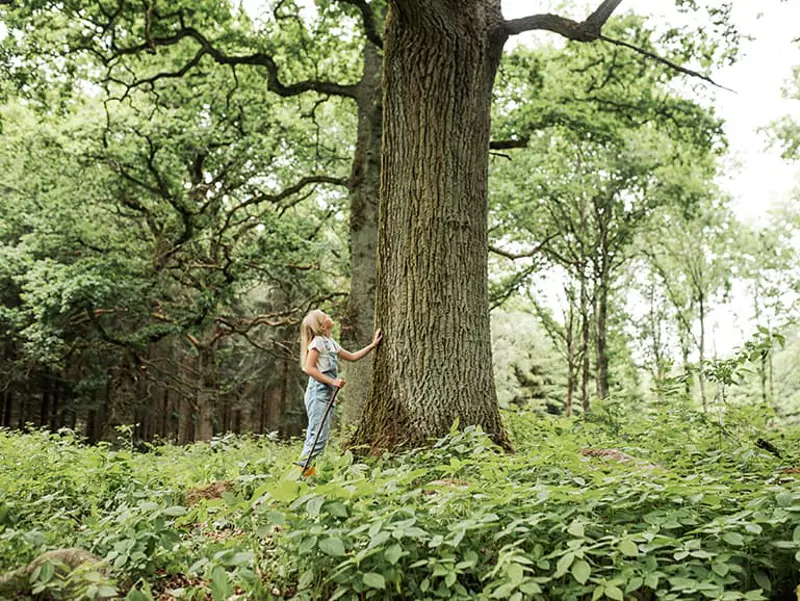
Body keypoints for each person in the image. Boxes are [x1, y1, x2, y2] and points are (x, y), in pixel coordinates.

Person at [296, 309, 382, 468]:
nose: (329, 316)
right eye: (325, 316)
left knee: (319, 437)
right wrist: (332, 381)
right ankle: (299, 474)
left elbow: (352, 357)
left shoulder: (330, 342)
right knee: (317, 438)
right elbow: (309, 368)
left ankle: (307, 474)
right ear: (321, 326)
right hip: (318, 394)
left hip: (327, 395)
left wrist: (373, 345)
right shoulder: (317, 342)